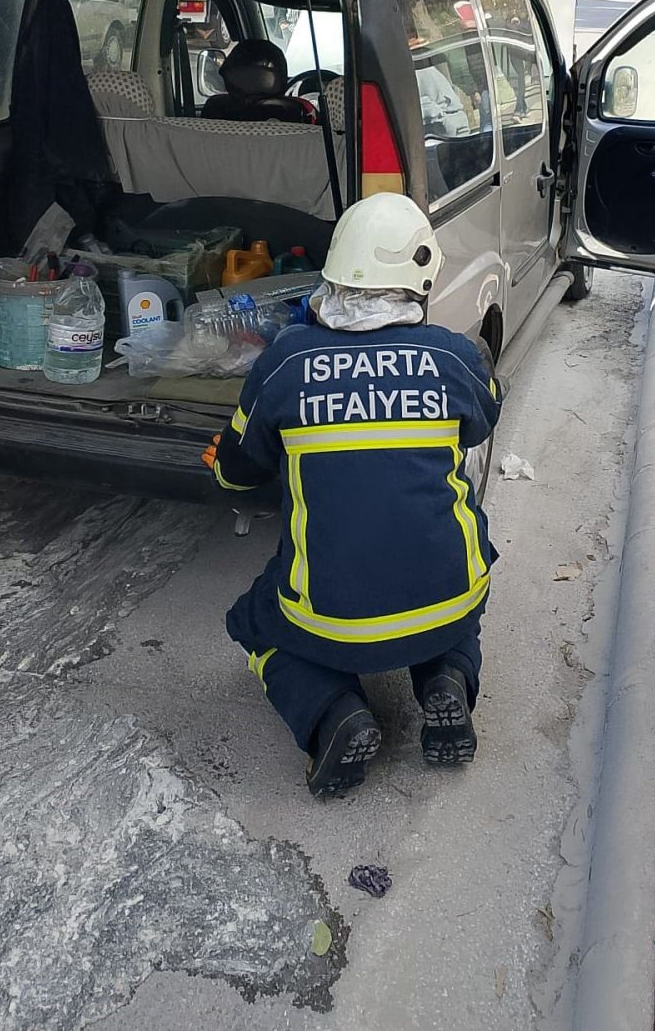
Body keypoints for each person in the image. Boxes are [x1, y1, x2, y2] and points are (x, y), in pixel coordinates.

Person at [204, 193, 502, 797]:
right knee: (450, 580)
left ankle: (332, 710)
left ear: (335, 271)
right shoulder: (453, 356)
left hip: (329, 617)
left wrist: (232, 462)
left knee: (256, 620)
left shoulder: (286, 361)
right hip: (450, 597)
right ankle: (447, 677)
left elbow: (237, 475)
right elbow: (482, 420)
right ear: (420, 278)